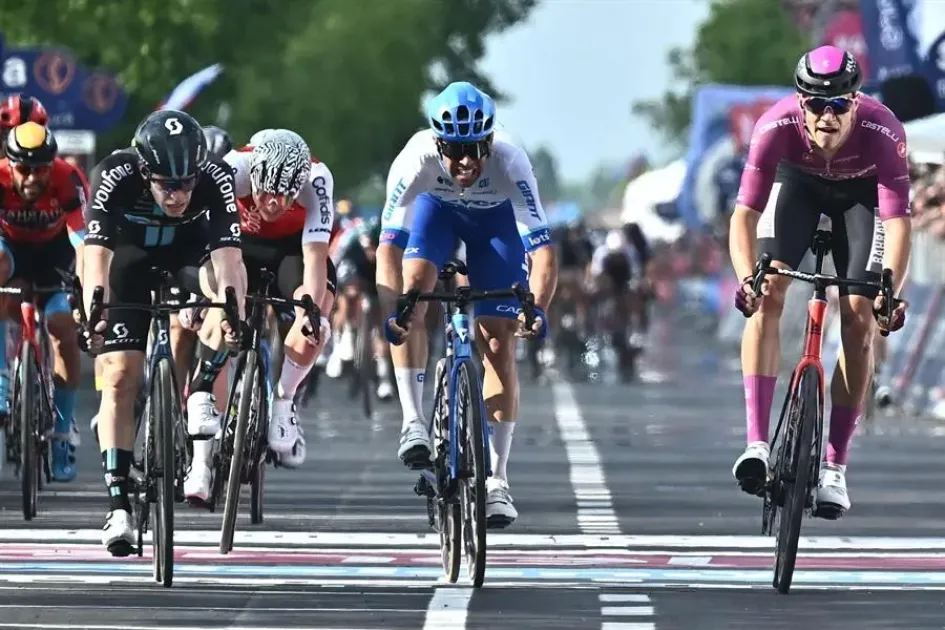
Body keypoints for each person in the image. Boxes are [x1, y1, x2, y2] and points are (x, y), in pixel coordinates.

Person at [730, 46, 910, 519]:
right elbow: (744, 215)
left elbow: (898, 224)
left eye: (839, 104)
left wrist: (891, 292)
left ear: (856, 101)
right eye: (815, 104)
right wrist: (746, 278)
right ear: (799, 103)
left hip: (861, 196)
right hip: (798, 186)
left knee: (857, 320)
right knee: (767, 294)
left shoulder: (883, 130)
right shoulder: (773, 127)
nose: (827, 115)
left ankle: (834, 467)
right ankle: (756, 443)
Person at [378, 81, 557, 528]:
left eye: (474, 149)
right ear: (438, 143)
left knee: (498, 343)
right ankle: (413, 421)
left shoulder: (511, 160)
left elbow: (543, 249)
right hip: (435, 217)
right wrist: (393, 310)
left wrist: (536, 307)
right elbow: (388, 250)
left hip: (494, 227)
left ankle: (497, 480)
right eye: (454, 150)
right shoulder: (415, 158)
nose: (464, 162)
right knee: (414, 293)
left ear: (489, 142)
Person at [81, 109, 246, 556]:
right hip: (128, 262)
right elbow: (95, 255)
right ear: (144, 170)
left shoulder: (215, 176)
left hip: (188, 260)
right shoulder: (115, 174)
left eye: (187, 183)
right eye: (167, 185)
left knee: (222, 292)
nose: (178, 195)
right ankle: (118, 506)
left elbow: (230, 259)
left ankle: (200, 390)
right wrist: (92, 312)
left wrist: (233, 315)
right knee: (118, 377)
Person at [181, 128, 336, 502]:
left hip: (291, 250)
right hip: (234, 244)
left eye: (286, 195)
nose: (275, 202)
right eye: (267, 192)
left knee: (316, 317)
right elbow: (199, 237)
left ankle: (284, 399)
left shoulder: (317, 179)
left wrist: (309, 310)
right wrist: (202, 293)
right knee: (225, 305)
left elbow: (315, 259)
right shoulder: (232, 169)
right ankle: (200, 463)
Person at [0, 122, 87, 481]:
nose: (33, 177)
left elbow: (84, 241)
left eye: (41, 169)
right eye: (24, 168)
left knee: (61, 328)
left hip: (55, 258)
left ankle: (62, 432)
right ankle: (3, 380)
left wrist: (88, 291)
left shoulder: (68, 178)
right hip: (12, 257)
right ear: (9, 163)